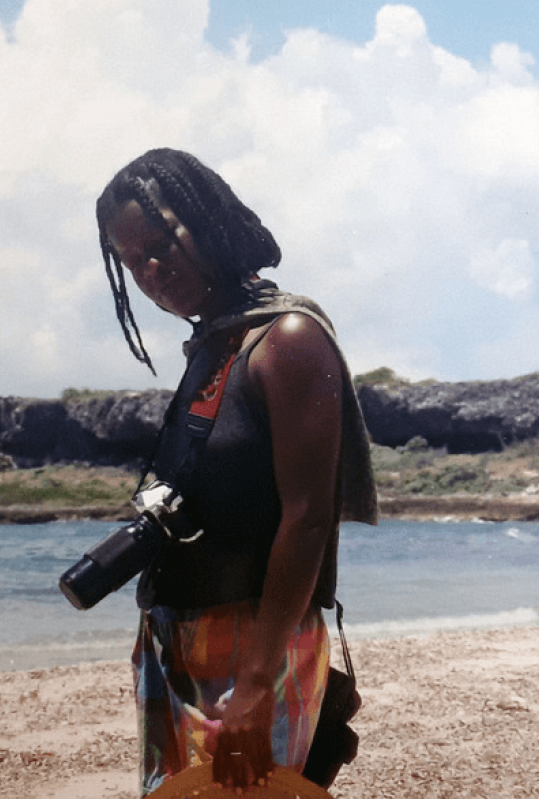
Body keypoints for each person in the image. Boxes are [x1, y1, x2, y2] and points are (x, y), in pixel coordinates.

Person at [96, 148, 378, 796]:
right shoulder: (215, 343)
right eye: (132, 261)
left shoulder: (287, 339)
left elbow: (306, 521)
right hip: (180, 642)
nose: (152, 270)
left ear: (207, 218)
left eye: (161, 243)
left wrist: (255, 683)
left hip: (255, 648)